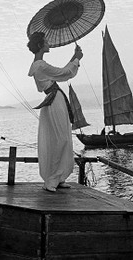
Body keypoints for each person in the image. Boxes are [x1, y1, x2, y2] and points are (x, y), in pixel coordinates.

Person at [27, 31, 83, 192]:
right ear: (40, 45)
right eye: (45, 41)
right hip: (54, 100)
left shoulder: (39, 65)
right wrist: (77, 58)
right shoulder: (40, 66)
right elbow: (64, 73)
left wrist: (75, 57)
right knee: (59, 139)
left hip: (55, 99)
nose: (48, 44)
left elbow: (61, 72)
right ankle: (52, 179)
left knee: (62, 137)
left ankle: (59, 178)